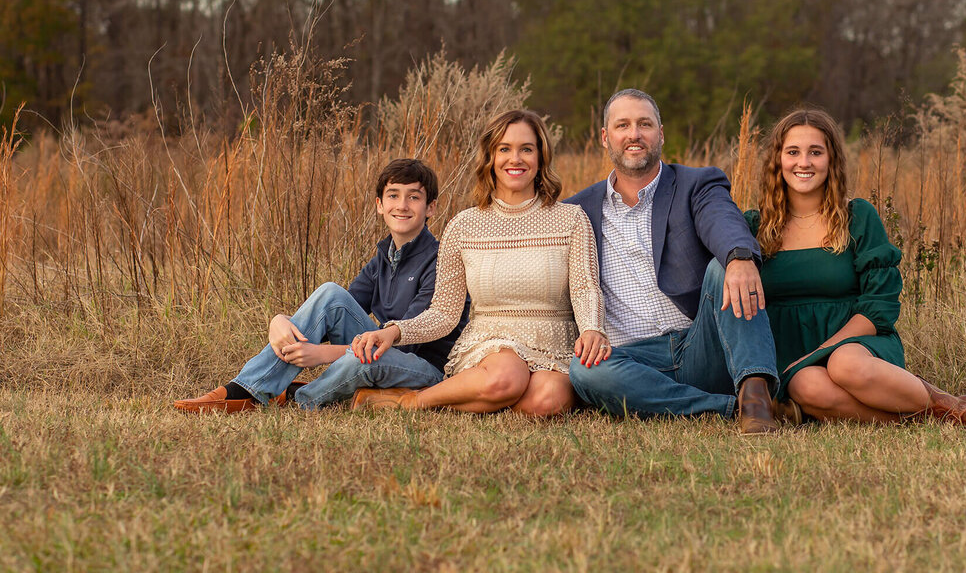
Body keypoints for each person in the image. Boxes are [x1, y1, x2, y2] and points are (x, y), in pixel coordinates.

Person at [746, 107, 966, 426]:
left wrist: (822, 350)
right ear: (777, 159)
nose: (804, 162)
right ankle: (936, 414)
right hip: (793, 358)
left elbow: (880, 305)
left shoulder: (858, 217)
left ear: (831, 159)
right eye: (793, 151)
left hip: (859, 345)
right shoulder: (754, 227)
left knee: (844, 364)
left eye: (815, 152)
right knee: (807, 385)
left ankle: (958, 411)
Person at [350, 109, 610, 416]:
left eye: (526, 149)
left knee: (545, 402)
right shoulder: (464, 226)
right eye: (504, 149)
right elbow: (444, 313)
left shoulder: (571, 219)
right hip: (492, 341)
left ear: (541, 157)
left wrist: (593, 328)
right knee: (506, 377)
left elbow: (585, 287)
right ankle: (410, 401)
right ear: (490, 157)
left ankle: (476, 396)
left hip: (554, 339)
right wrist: (395, 331)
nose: (516, 159)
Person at [173, 158, 466, 413]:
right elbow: (335, 311)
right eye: (393, 195)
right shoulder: (383, 257)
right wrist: (279, 321)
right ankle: (247, 389)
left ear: (431, 208)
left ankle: (299, 397)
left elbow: (410, 340)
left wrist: (325, 355)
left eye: (413, 197)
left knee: (364, 361)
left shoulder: (441, 260)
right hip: (382, 352)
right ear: (379, 205)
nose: (402, 205)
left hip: (427, 369)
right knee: (330, 292)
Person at [565, 89, 781, 434]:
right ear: (606, 138)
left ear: (660, 133)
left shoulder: (696, 184)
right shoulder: (577, 211)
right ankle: (726, 409)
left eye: (644, 124)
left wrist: (739, 257)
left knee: (723, 267)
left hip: (702, 342)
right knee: (585, 369)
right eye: (623, 125)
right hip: (635, 359)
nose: (634, 134)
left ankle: (756, 398)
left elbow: (722, 220)